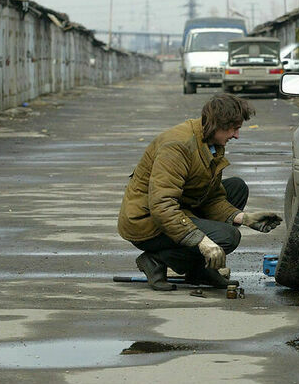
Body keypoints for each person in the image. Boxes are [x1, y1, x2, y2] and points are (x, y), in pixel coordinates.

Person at [117, 93, 282, 291]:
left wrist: (244, 218)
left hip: (179, 208)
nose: (237, 135)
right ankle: (155, 259)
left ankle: (200, 270)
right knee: (228, 237)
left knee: (237, 188)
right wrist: (202, 241)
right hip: (147, 222)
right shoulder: (177, 146)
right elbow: (162, 206)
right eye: (234, 129)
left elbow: (211, 197)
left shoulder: (210, 141)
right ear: (217, 124)